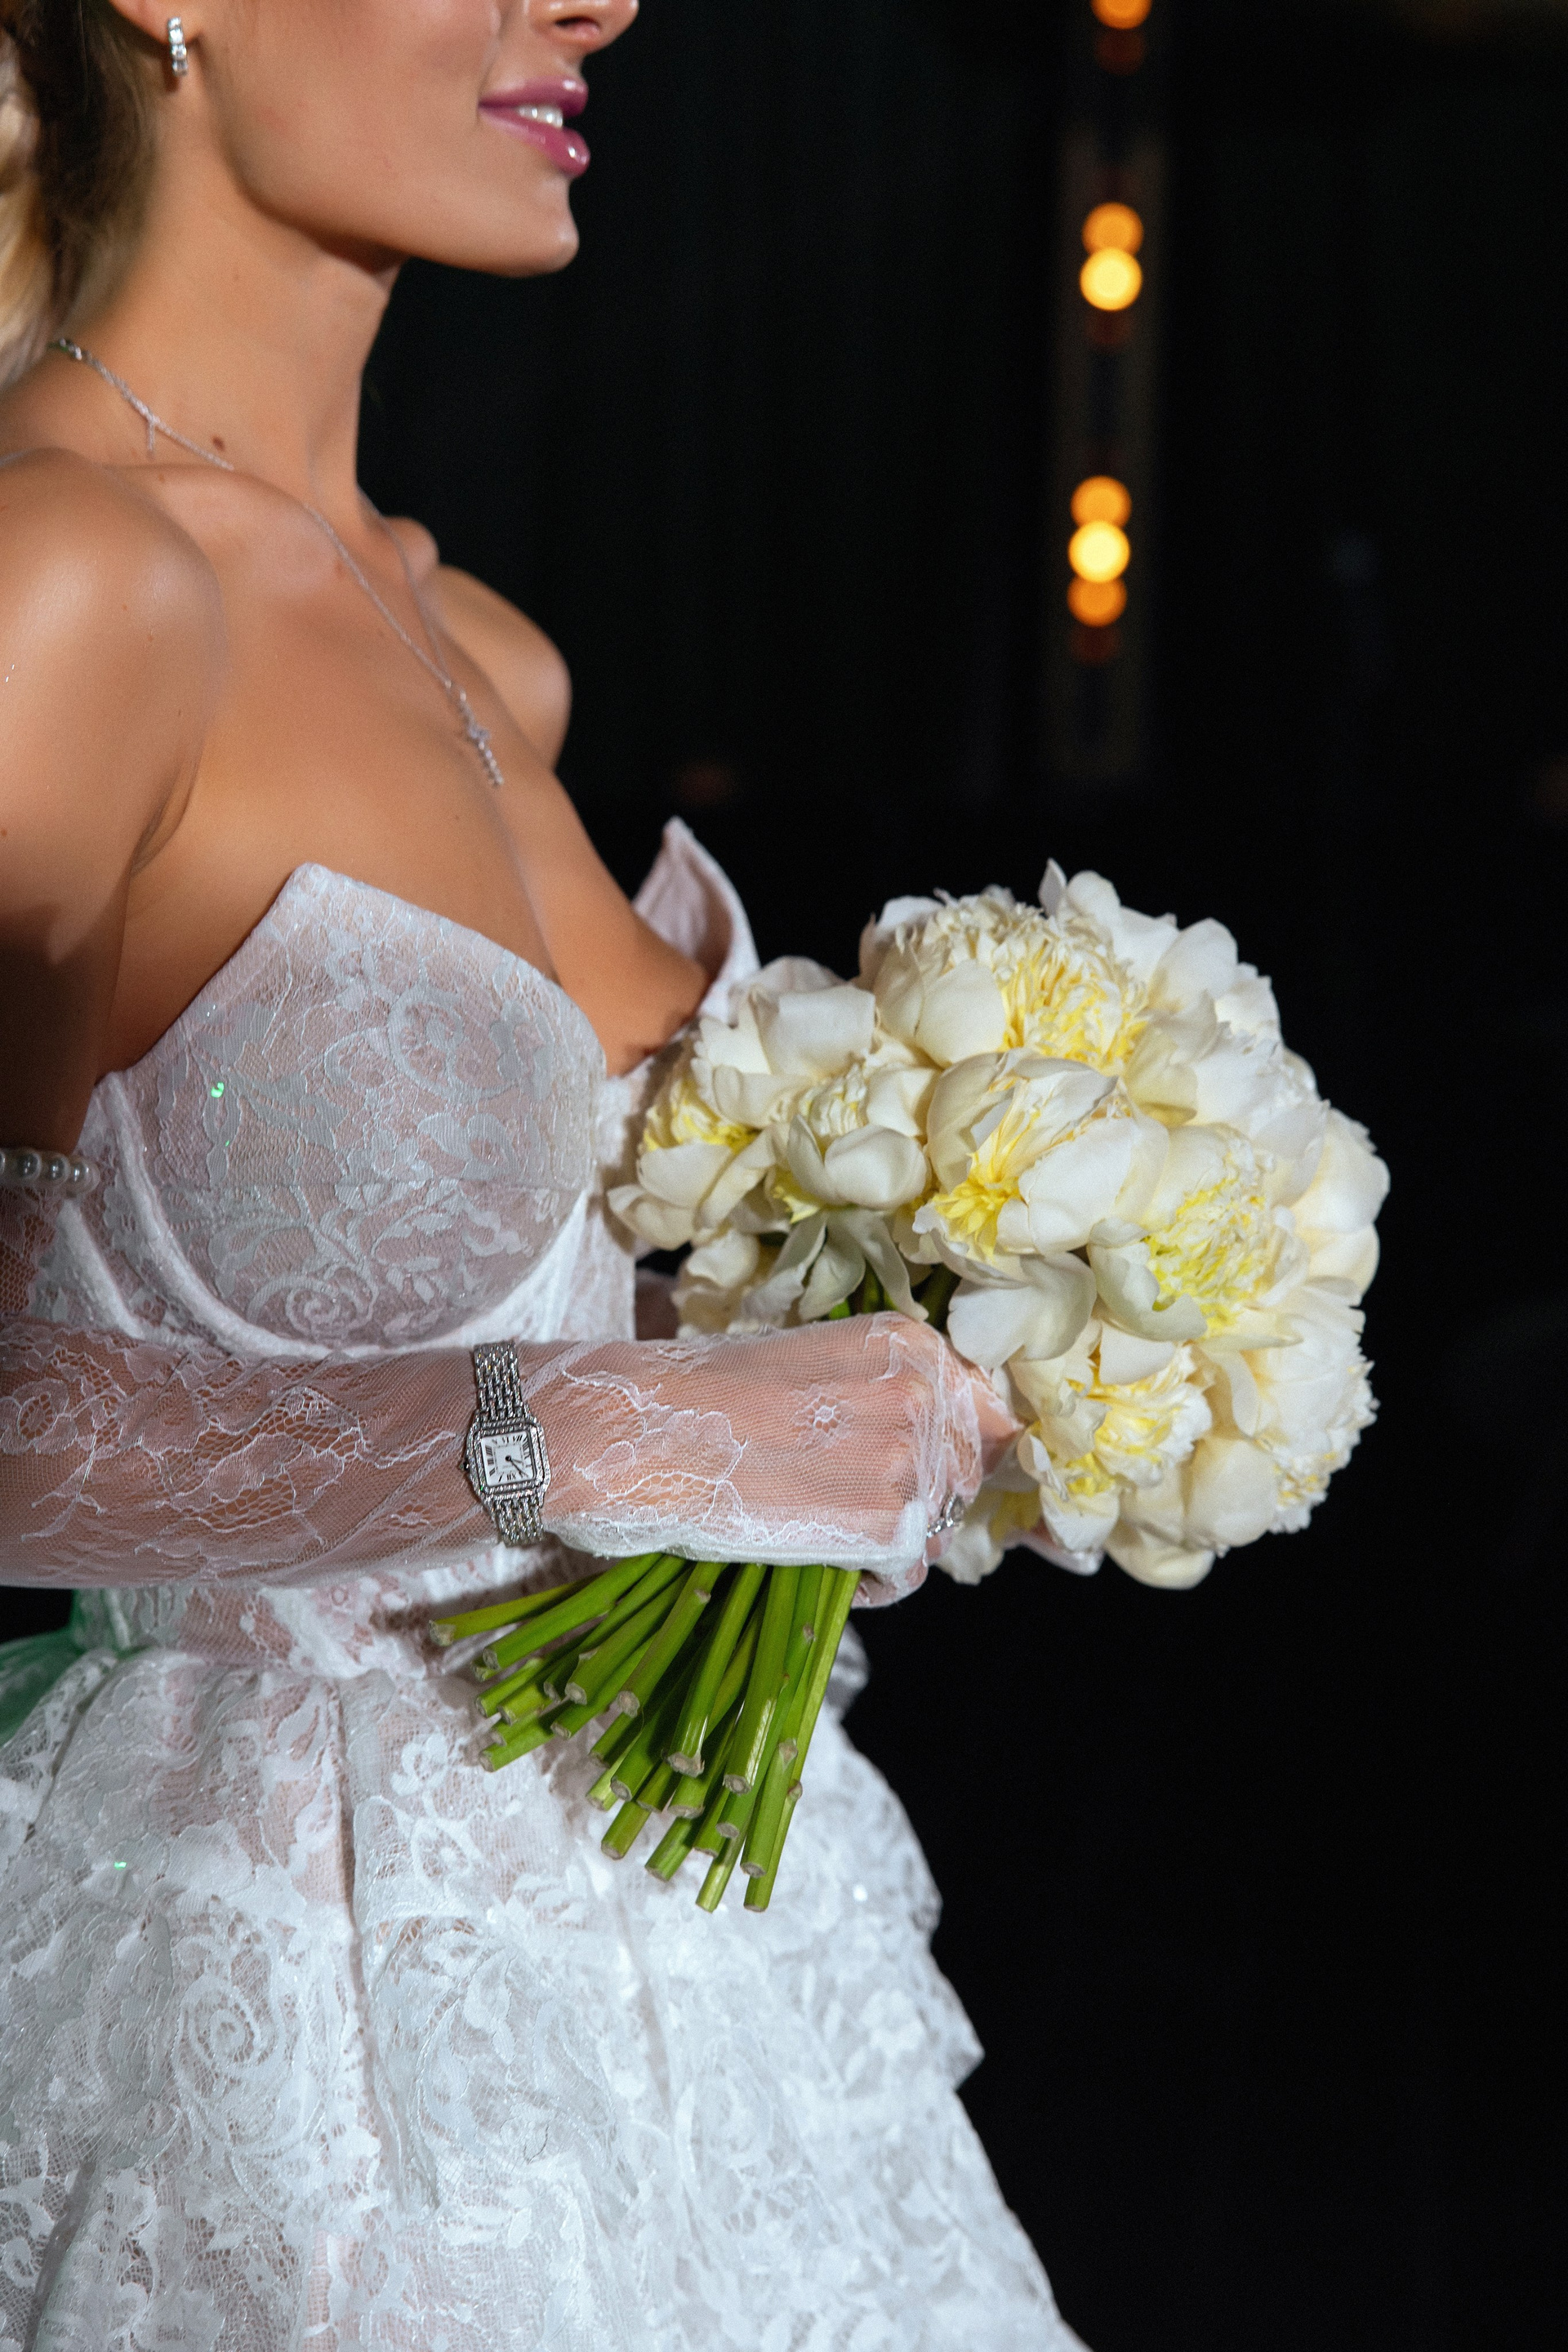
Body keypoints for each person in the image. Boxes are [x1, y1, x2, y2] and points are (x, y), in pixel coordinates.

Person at [0, 4, 1084, 2345]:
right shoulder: (60, 586)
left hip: (726, 2011)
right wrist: (591, 1436)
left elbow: (594, 1297)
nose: (594, 2)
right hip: (294, 2041)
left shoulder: (477, 640)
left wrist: (950, 1340)